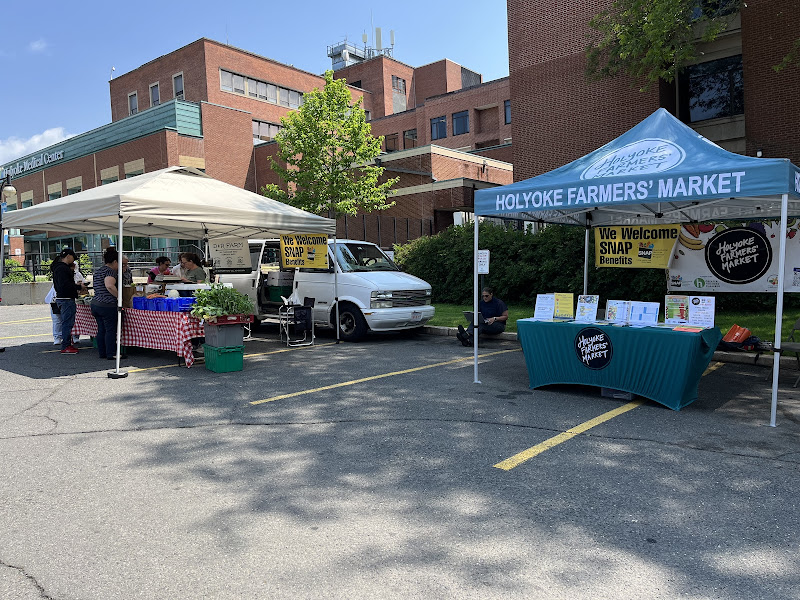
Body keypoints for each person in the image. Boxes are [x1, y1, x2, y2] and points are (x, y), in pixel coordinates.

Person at [91, 247, 125, 361]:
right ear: (115, 261)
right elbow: (109, 285)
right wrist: (119, 297)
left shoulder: (99, 271)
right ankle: (111, 353)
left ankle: (103, 352)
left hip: (96, 303)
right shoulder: (110, 271)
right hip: (107, 304)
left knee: (101, 329)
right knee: (110, 330)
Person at [51, 248, 87, 355]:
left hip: (61, 297)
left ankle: (67, 343)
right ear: (68, 256)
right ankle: (66, 345)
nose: (73, 261)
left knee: (65, 322)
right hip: (66, 298)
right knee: (67, 323)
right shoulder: (63, 269)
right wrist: (78, 287)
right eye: (73, 258)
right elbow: (66, 285)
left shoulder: (57, 267)